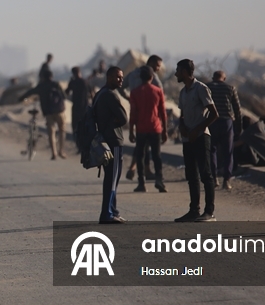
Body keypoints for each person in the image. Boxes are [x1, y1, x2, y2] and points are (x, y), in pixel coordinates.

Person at [175, 59, 217, 222]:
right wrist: (182, 127)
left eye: (178, 70)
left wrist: (197, 130)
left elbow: (214, 114)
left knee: (206, 174)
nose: (176, 74)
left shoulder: (201, 88)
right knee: (191, 175)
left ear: (185, 72)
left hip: (200, 137)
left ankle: (209, 211)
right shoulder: (183, 92)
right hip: (187, 139)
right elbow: (182, 115)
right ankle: (194, 210)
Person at [93, 66, 129, 224]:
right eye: (117, 77)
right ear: (109, 77)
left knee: (111, 178)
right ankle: (107, 213)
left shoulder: (100, 93)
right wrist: (114, 121)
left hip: (105, 141)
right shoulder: (111, 95)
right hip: (113, 141)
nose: (120, 80)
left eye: (121, 77)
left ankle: (113, 211)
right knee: (112, 179)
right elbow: (124, 118)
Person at [128, 65, 167, 193]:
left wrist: (131, 130)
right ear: (151, 77)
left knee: (140, 156)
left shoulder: (135, 92)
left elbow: (133, 113)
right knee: (157, 155)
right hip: (155, 128)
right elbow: (163, 112)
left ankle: (141, 183)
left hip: (141, 129)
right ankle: (159, 180)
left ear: (140, 77)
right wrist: (165, 130)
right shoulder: (158, 91)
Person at [19, 70, 68, 160]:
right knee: (62, 130)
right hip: (59, 111)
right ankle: (61, 151)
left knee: (51, 132)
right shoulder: (56, 84)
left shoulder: (41, 86)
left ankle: (54, 153)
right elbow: (64, 96)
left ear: (43, 77)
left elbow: (30, 92)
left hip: (48, 112)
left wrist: (21, 98)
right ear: (52, 76)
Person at [206, 70, 242, 190]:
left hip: (212, 122)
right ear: (224, 78)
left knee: (212, 150)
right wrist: (239, 127)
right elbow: (237, 109)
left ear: (213, 77)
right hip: (226, 122)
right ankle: (226, 180)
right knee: (228, 152)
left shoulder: (208, 87)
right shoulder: (230, 88)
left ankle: (214, 177)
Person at [66, 66, 90, 134]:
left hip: (76, 106)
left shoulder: (73, 82)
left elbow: (66, 92)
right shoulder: (85, 81)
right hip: (85, 106)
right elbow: (92, 93)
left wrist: (70, 82)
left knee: (75, 125)